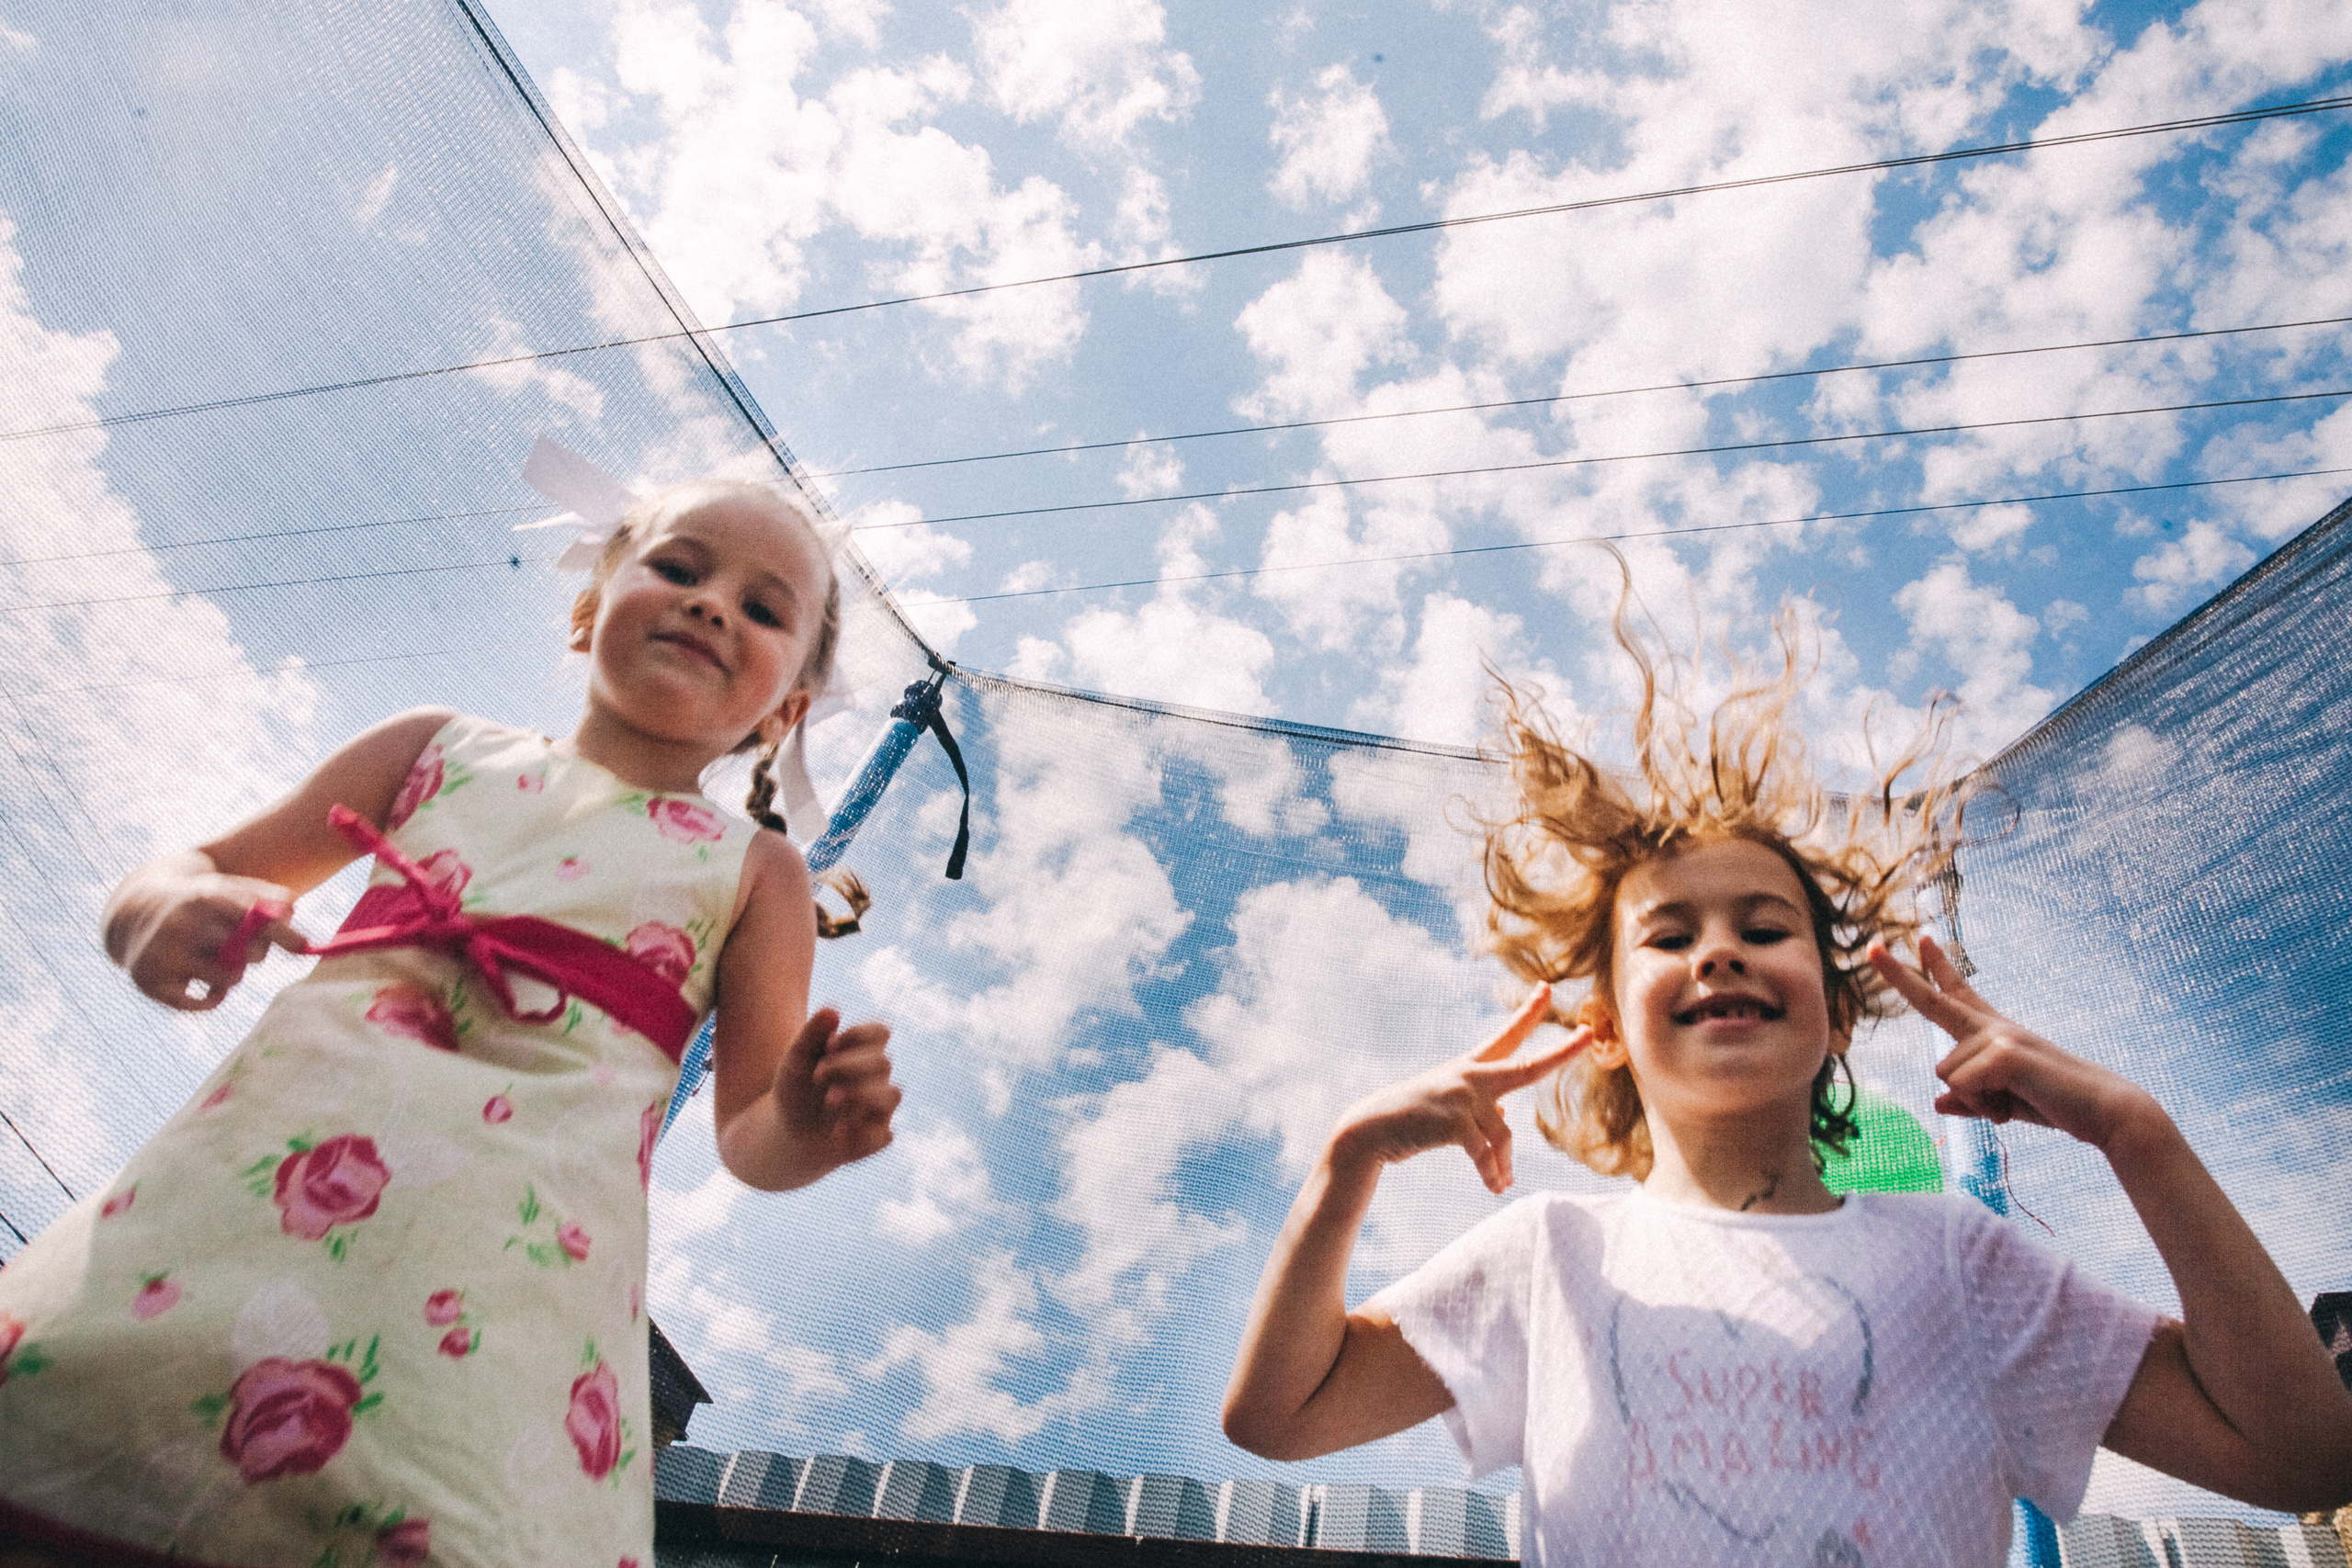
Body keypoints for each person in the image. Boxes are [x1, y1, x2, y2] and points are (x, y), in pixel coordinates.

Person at [1222, 606, 2352, 1567]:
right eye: (1670, 935)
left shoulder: (1961, 1263)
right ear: (1606, 1023)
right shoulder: (1547, 1260)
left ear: (1837, 1004)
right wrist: (1345, 1160)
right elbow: (1282, 1414)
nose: (1720, 951)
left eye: (1764, 927)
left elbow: (2303, 1458)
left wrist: (2139, 1135)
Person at [0, 479, 901, 1568]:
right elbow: (201, 865)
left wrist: (804, 1123)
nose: (712, 604)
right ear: (590, 604)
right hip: (239, 1205)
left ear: (785, 711)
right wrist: (157, 909)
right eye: (679, 566)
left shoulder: (756, 871)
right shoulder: (436, 750)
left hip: (499, 1300)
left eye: (764, 610)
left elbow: (751, 1133)